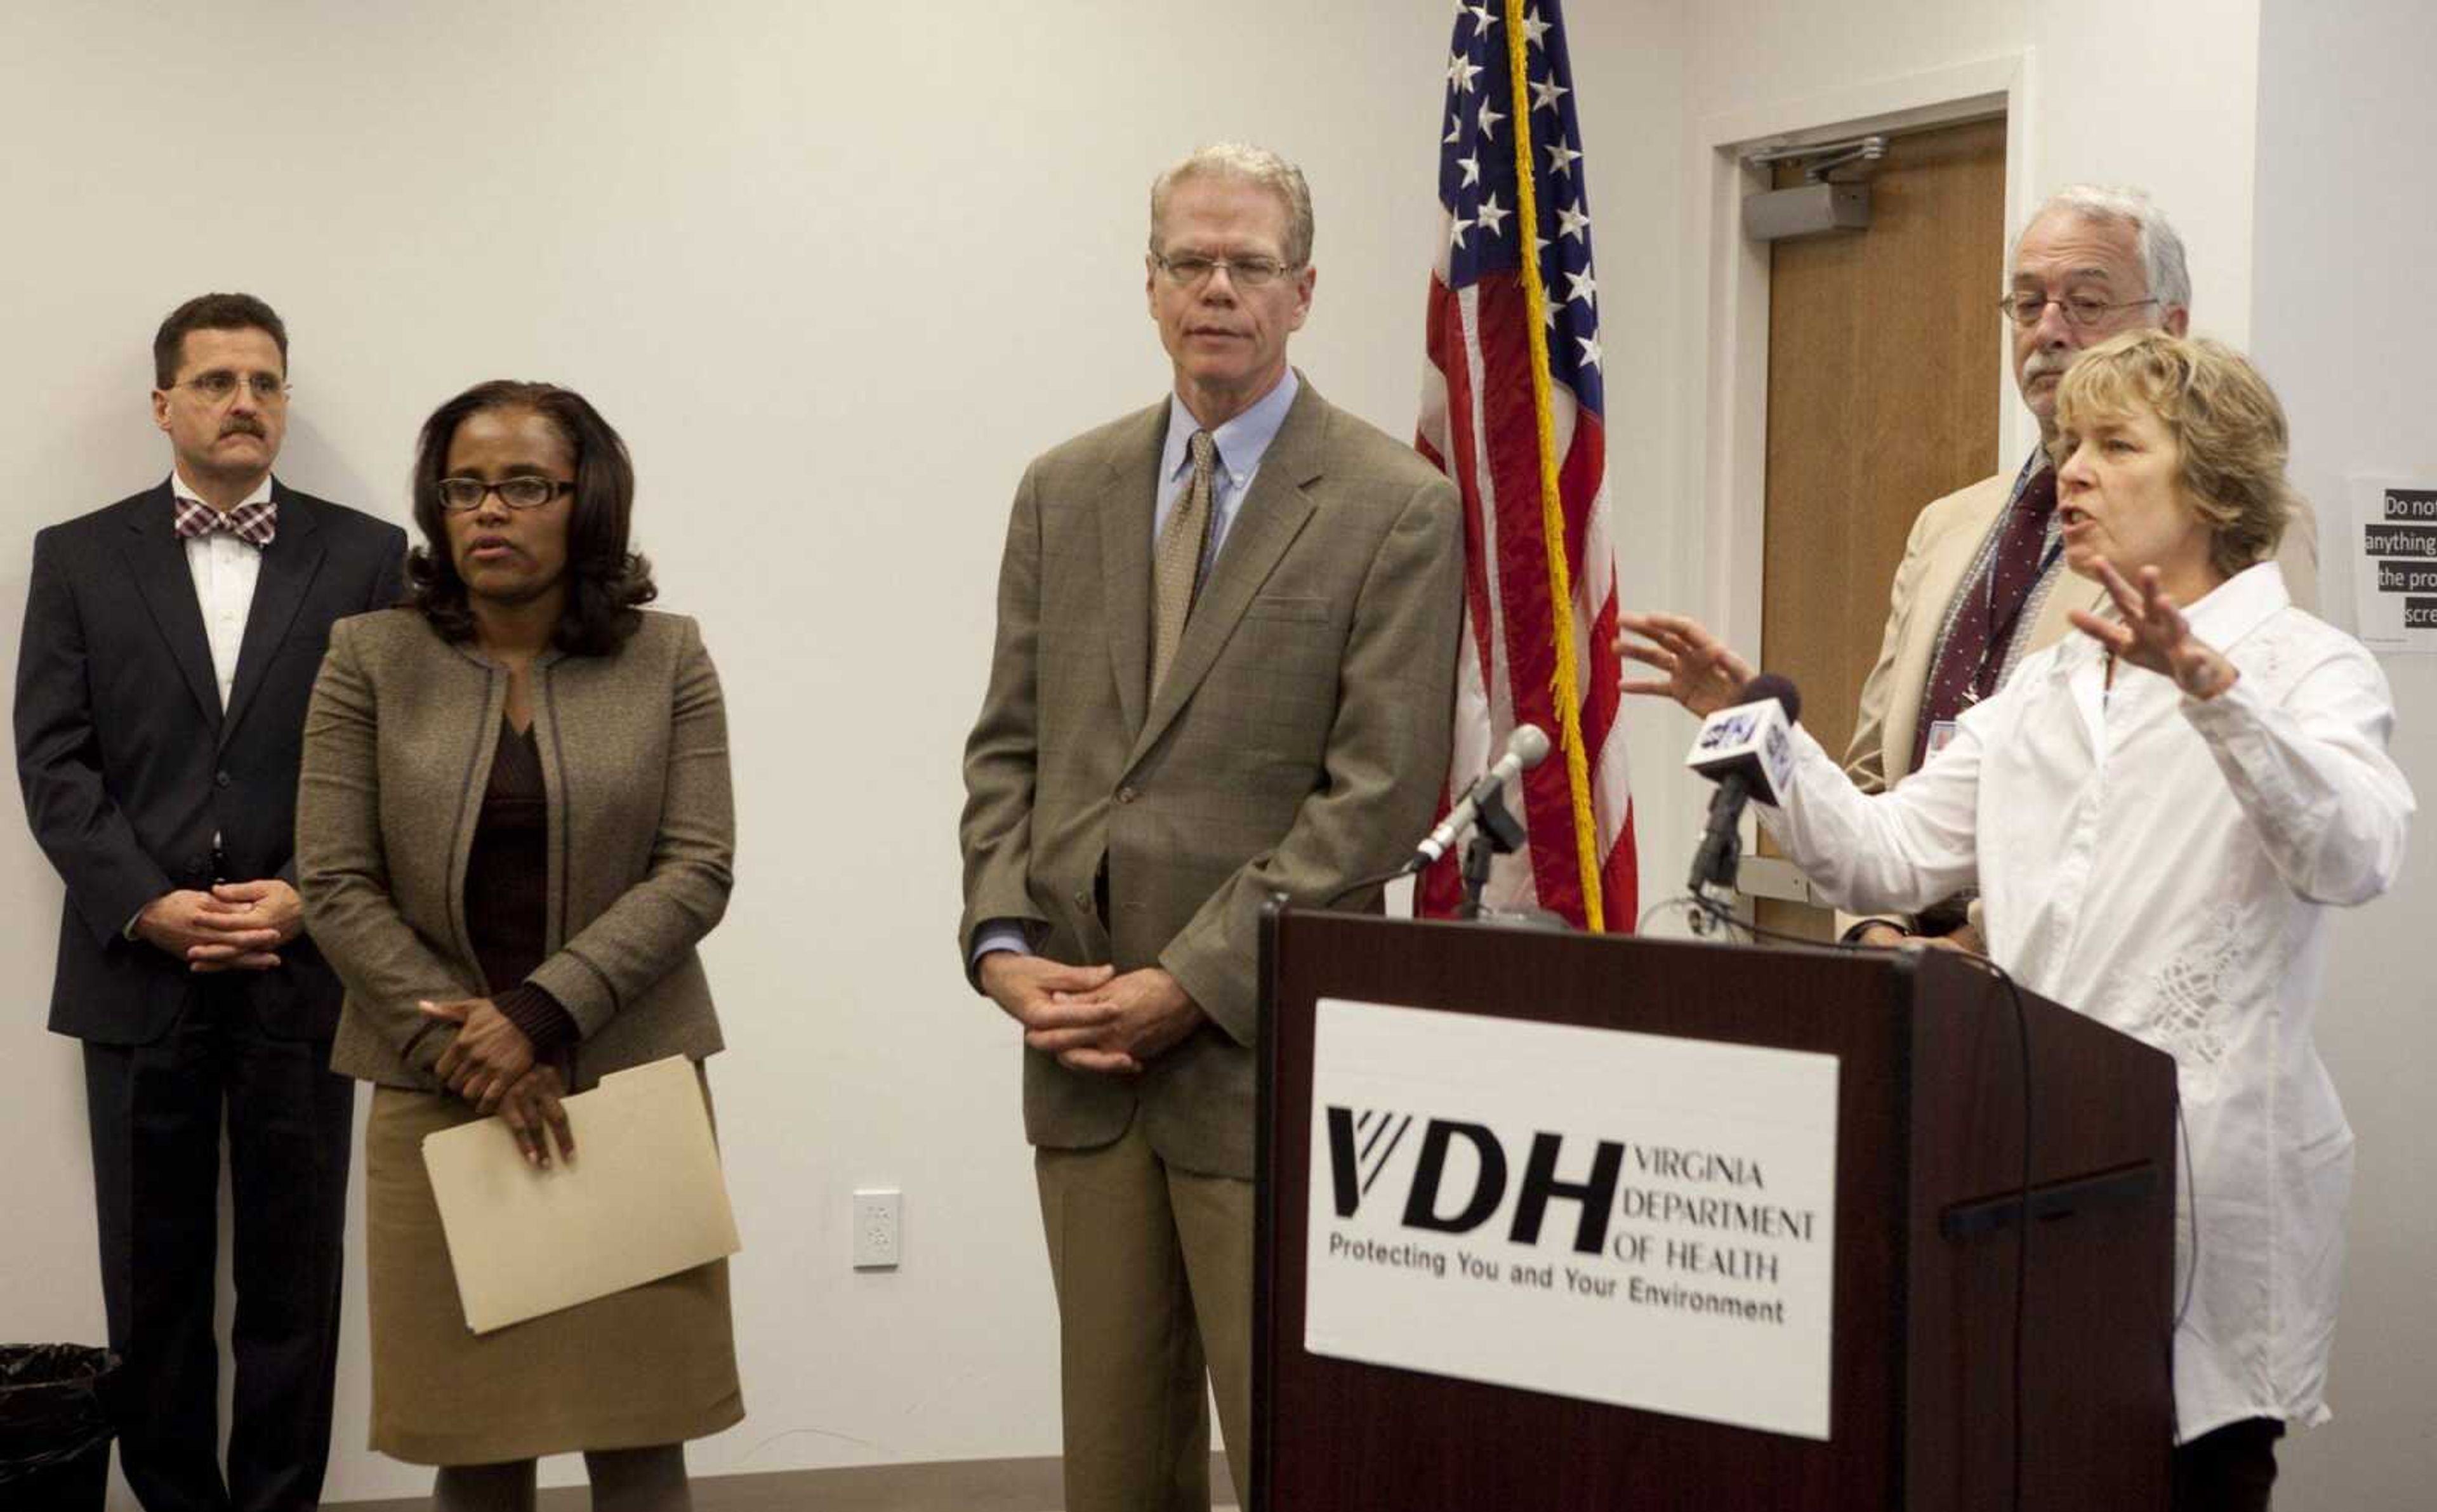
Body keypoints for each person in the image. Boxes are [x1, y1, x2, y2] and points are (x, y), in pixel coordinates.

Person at [1619, 331, 2414, 1512]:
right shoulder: (2040, 688)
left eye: (2113, 445)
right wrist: (1760, 731)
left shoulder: (2310, 670)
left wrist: (2214, 695)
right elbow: (1883, 860)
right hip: (2032, 1177)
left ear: (2213, 483)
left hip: (2205, 1197)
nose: (2072, 473)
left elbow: (2353, 852)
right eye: (2067, 446)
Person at [957, 142, 1463, 1511]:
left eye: (1249, 265)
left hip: (1260, 1061)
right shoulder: (1064, 489)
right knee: (1117, 1466)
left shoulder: (1393, 505)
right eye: (1191, 262)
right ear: (1151, 285)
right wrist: (1002, 943)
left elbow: (1376, 797)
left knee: (1301, 1450)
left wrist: (1187, 983)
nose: (1218, 290)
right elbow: (1011, 746)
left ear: (1303, 291)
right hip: (1078, 1053)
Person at [295, 381, 740, 1512]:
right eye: (464, 487)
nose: (489, 511)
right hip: (437, 1087)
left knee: (642, 1437)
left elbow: (696, 867)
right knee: (476, 1440)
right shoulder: (368, 658)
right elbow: (336, 881)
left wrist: (538, 1016)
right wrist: (472, 1045)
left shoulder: (668, 658)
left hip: (628, 1081)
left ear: (585, 500)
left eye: (525, 485)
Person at [13, 293, 406, 1512]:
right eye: (220, 379)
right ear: (164, 403)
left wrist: (308, 895)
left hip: (306, 963)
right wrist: (148, 904)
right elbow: (53, 757)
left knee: (296, 1274)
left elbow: (400, 753)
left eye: (268, 381)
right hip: (141, 973)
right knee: (156, 1277)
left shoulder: (369, 555)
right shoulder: (76, 554)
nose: (247, 401)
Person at [1840, 185, 2318, 951]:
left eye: (2086, 304)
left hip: (2072, 985)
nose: (2049, 331)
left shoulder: (2236, 516)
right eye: (2027, 305)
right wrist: (1871, 927)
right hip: (1901, 972)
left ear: (2173, 328)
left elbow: (2192, 797)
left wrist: (1974, 952)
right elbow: (1872, 765)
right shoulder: (1947, 522)